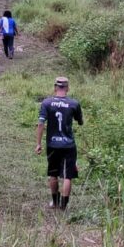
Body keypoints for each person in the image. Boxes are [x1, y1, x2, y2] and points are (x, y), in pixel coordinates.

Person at [35, 77, 83, 210]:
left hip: (52, 144)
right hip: (69, 145)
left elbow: (40, 124)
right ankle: (63, 206)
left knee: (53, 174)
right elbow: (80, 121)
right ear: (67, 88)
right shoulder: (74, 103)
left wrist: (38, 143)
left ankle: (55, 203)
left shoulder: (46, 103)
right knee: (68, 176)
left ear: (55, 87)